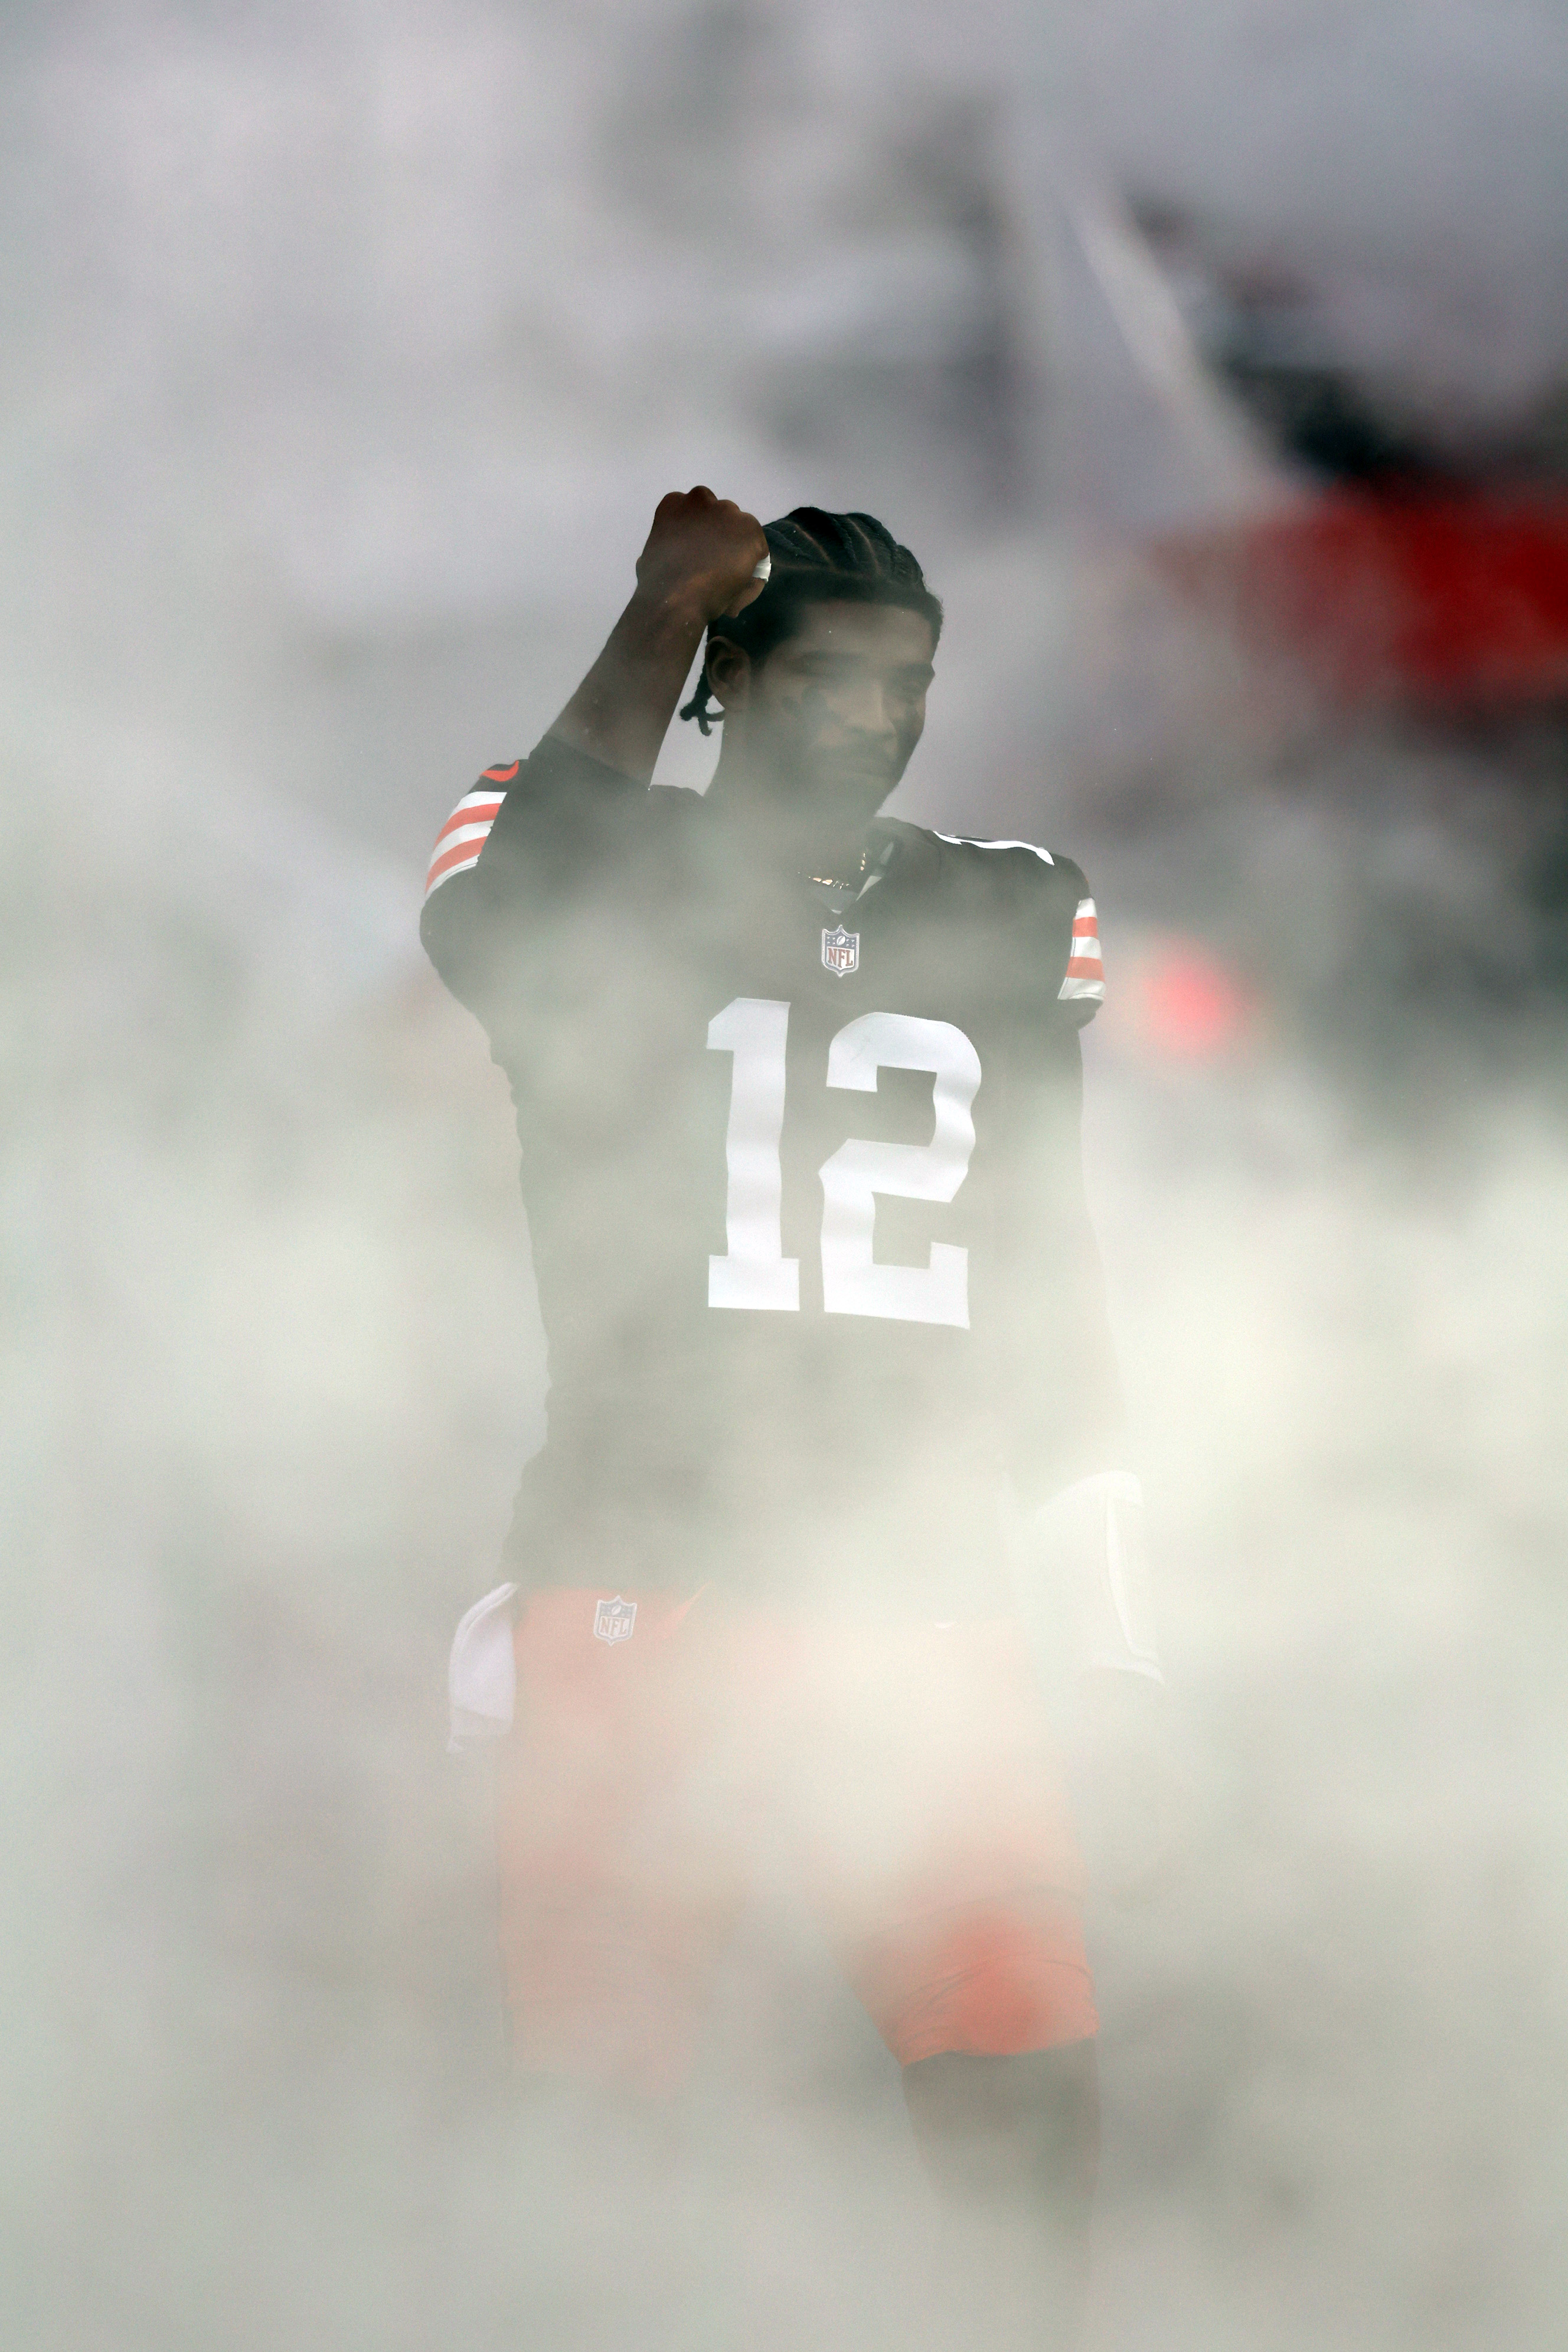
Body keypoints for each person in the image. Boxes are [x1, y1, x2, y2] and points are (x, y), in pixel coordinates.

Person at [423, 489, 1162, 2348]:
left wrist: (1092, 1532)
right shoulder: (605, 865)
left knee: (1022, 2060)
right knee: (602, 2099)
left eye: (909, 684)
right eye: (830, 678)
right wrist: (661, 604)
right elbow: (508, 908)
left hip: (920, 1590)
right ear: (728, 683)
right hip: (644, 1570)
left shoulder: (1010, 902)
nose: (880, 718)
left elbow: (1042, 1244)